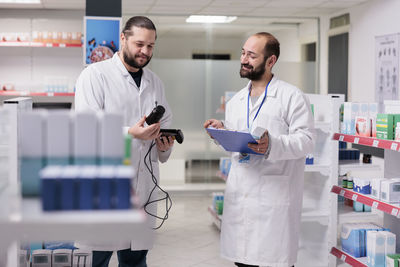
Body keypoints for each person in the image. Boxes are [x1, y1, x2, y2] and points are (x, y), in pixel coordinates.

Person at [204, 32, 314, 267]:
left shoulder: (291, 96)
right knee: (243, 262)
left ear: (271, 61)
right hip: (242, 196)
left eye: (252, 55)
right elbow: (238, 142)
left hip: (273, 201)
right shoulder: (236, 101)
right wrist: (222, 131)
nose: (244, 59)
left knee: (273, 260)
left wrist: (272, 144)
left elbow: (306, 140)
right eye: (243, 53)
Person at [74, 16, 174, 267]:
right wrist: (130, 133)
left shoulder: (155, 82)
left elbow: (167, 126)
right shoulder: (94, 75)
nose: (145, 51)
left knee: (135, 260)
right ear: (123, 39)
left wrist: (165, 145)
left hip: (143, 189)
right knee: (96, 259)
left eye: (150, 46)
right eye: (139, 44)